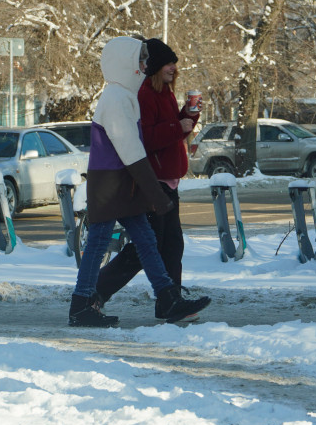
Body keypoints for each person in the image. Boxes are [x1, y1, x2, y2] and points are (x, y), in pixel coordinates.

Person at [68, 36, 211, 326]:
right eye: (140, 61)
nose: (145, 67)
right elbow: (131, 149)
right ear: (126, 64)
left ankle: (167, 297)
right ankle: (82, 304)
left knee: (146, 240)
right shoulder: (117, 98)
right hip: (112, 181)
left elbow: (136, 145)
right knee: (98, 243)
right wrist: (155, 194)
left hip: (122, 180)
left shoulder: (123, 96)